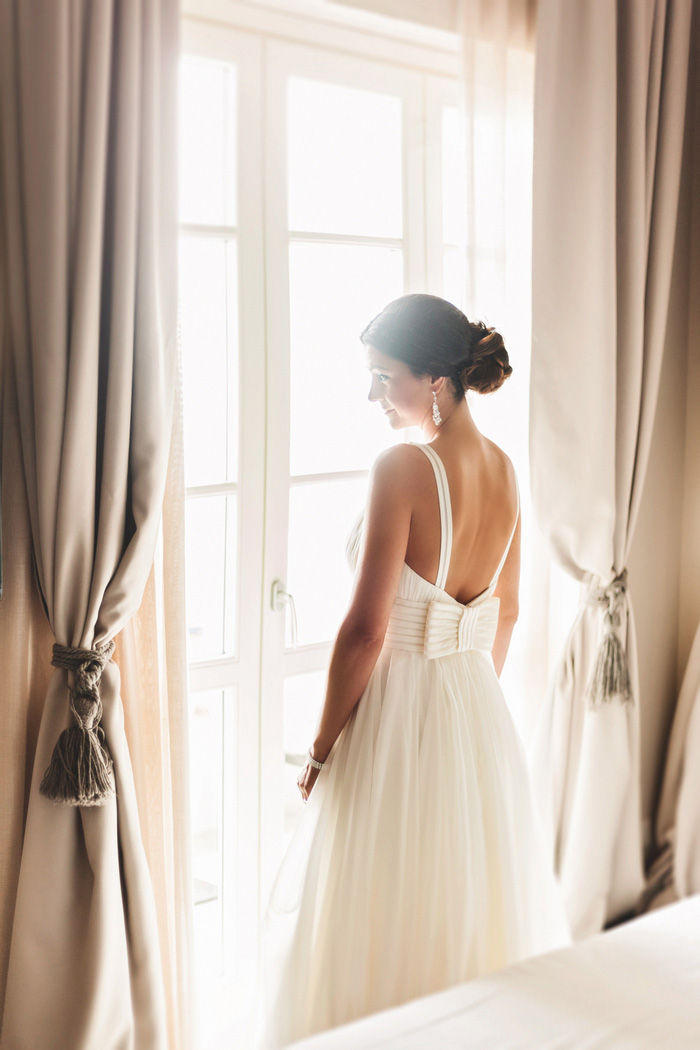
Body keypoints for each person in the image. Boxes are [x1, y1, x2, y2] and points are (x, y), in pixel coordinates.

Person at [255, 294, 571, 1049]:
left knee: (377, 902)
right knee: (464, 902)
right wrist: (466, 705)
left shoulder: (404, 467)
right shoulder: (504, 471)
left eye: (381, 376)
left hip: (398, 708)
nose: (371, 396)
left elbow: (365, 632)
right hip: (474, 709)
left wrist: (323, 748)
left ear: (434, 378)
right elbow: (512, 610)